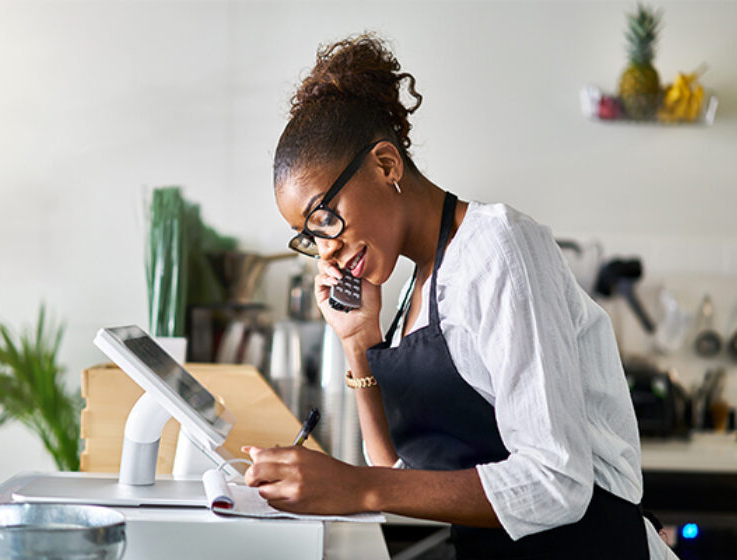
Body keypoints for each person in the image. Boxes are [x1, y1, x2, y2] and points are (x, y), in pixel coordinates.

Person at [242, 33, 677, 559]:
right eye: (310, 237)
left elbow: (557, 481)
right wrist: (359, 341)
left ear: (385, 165)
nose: (325, 252)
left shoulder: (499, 247)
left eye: (325, 219)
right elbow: (402, 480)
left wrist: (355, 486)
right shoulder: (413, 292)